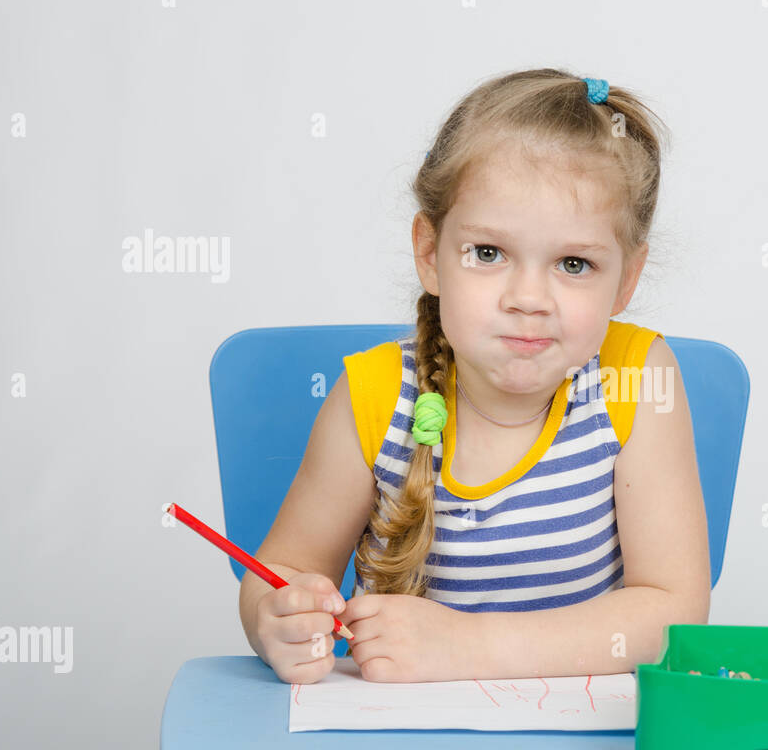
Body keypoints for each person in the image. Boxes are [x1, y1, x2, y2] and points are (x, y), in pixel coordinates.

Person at [239, 68, 711, 684]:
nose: (528, 297)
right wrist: (276, 619)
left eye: (574, 263)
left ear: (626, 279)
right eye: (488, 254)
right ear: (430, 253)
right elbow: (281, 570)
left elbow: (674, 614)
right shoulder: (373, 397)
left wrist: (470, 646)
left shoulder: (636, 378)